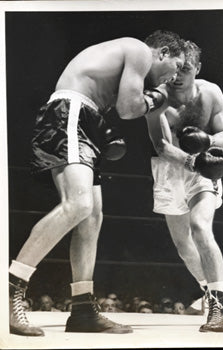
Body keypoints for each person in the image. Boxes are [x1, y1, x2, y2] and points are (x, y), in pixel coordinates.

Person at [9, 30, 186, 336]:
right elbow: (128, 108)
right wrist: (156, 97)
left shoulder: (128, 62)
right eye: (175, 67)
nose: (173, 76)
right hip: (72, 110)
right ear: (164, 53)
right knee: (78, 204)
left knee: (92, 216)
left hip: (85, 118)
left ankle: (82, 310)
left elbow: (129, 110)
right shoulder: (139, 51)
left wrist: (154, 102)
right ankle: (10, 286)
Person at [145, 40, 223, 332]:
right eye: (176, 68)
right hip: (172, 169)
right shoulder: (158, 98)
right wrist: (192, 160)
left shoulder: (210, 93)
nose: (178, 75)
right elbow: (162, 147)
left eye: (186, 69)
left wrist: (207, 142)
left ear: (198, 68)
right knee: (184, 247)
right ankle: (209, 290)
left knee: (200, 227)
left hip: (202, 169)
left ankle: (219, 309)